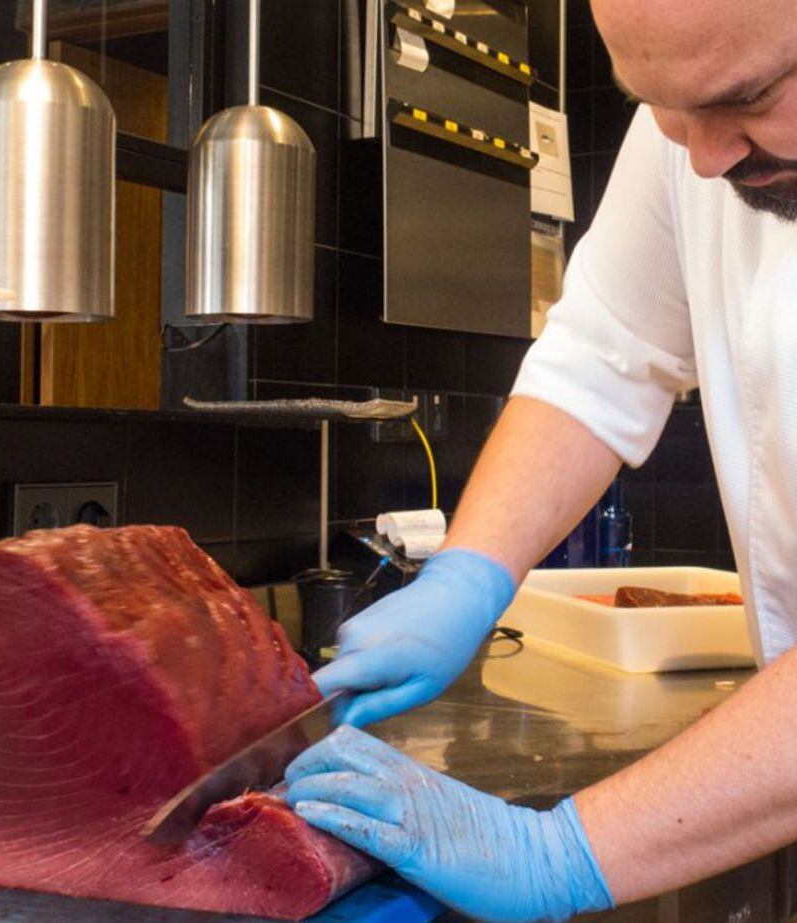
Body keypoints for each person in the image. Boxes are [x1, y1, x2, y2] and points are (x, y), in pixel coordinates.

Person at [283, 0, 797, 919]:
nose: (704, 155)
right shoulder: (691, 117)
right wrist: (468, 575)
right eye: (660, 107)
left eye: (749, 97)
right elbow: (601, 355)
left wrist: (558, 853)